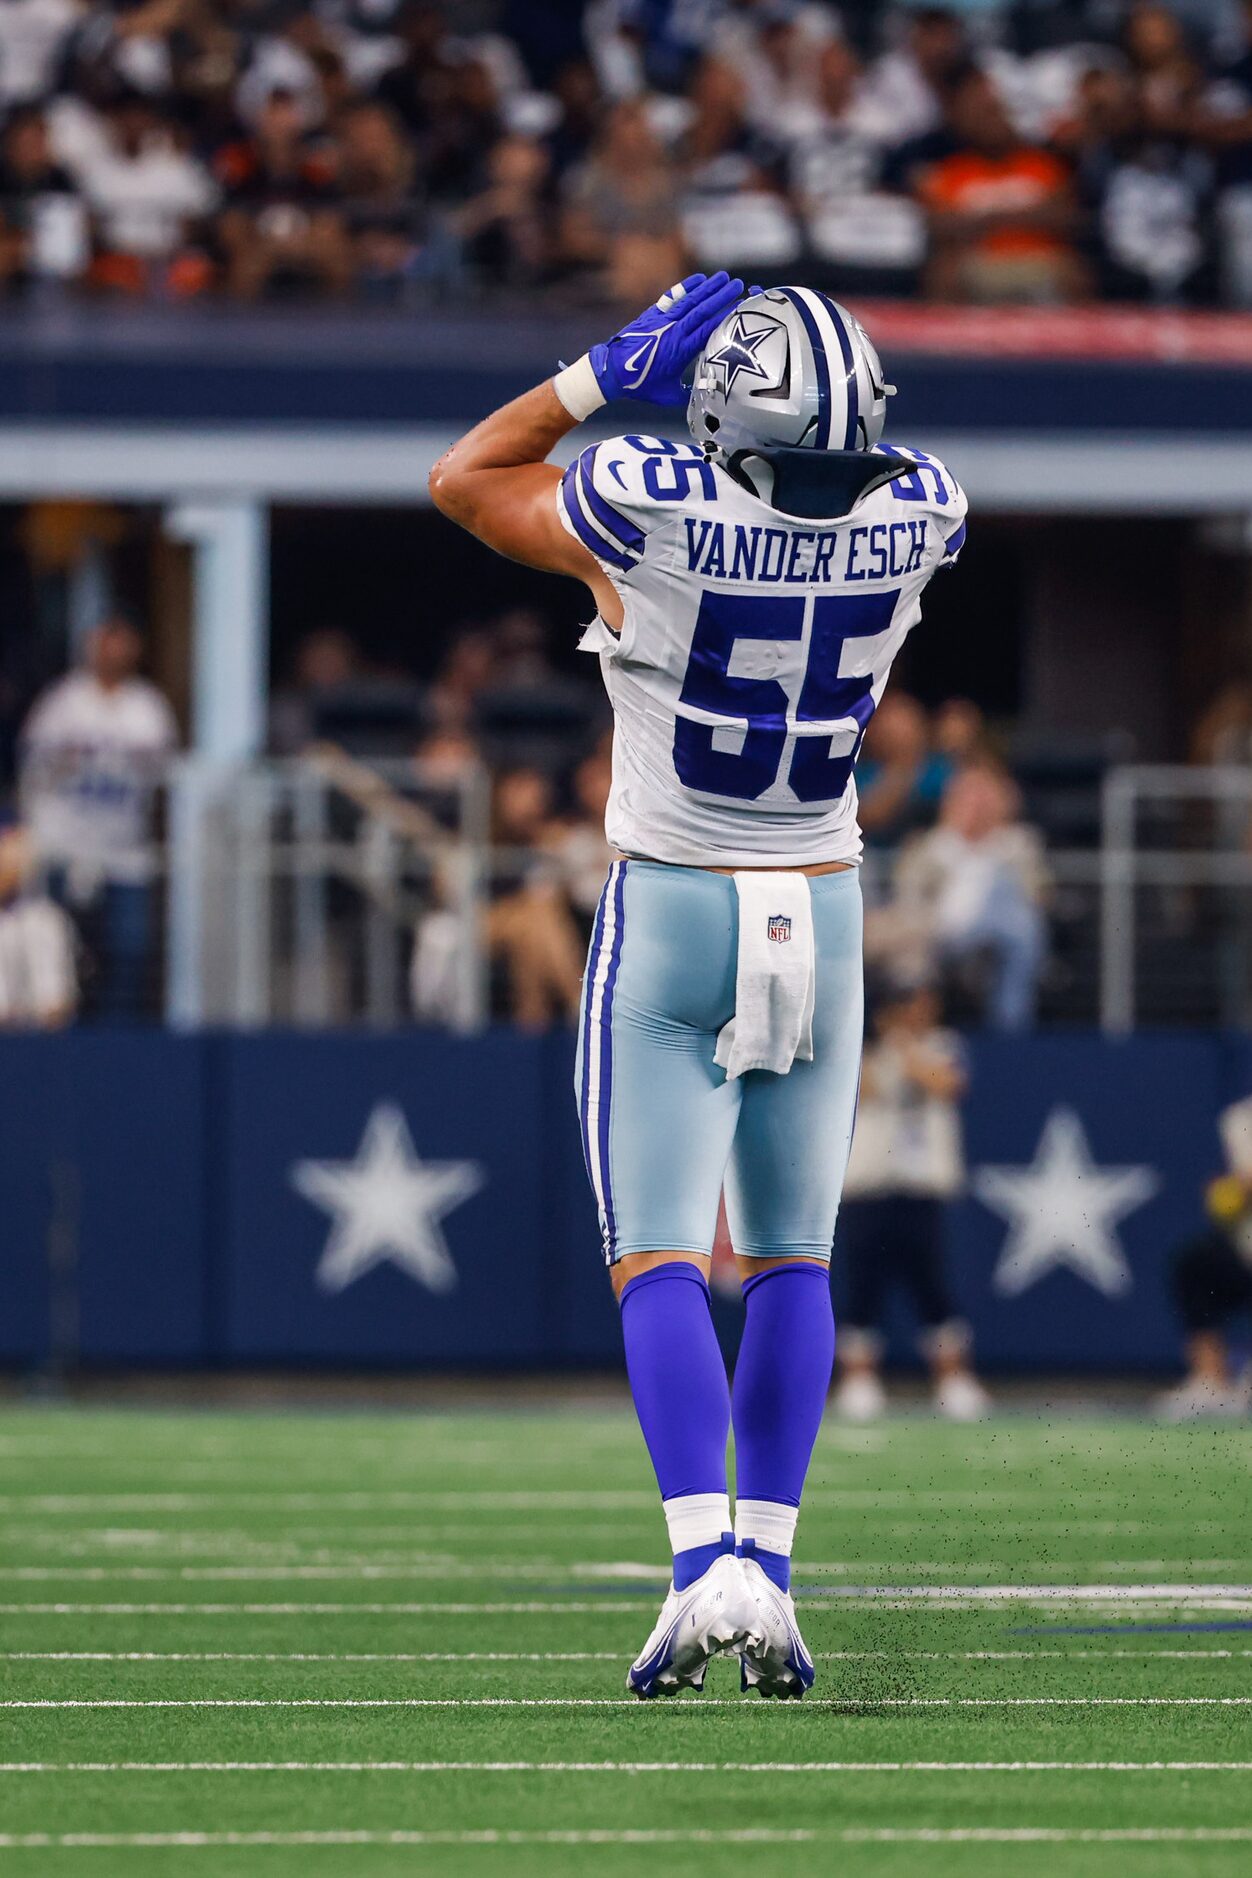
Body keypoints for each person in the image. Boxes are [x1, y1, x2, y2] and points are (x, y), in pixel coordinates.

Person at [430, 271, 966, 1699]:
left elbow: (466, 476)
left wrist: (605, 373)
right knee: (794, 1255)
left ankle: (695, 1563)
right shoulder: (922, 511)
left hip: (673, 903)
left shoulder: (648, 500)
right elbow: (872, 468)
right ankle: (774, 1575)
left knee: (660, 1253)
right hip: (829, 904)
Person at [834, 977, 990, 1423]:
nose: (919, 1012)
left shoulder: (943, 1044)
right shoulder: (862, 1051)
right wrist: (887, 1045)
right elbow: (862, 1091)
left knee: (933, 1287)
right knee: (863, 1287)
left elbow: (945, 1084)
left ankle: (952, 1380)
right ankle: (859, 1381)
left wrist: (905, 1047)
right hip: (868, 1187)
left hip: (921, 1189)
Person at [19, 615, 177, 1020]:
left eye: (122, 641)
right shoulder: (62, 702)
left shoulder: (148, 707)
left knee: (128, 953)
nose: (114, 650)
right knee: (57, 956)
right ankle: (61, 1046)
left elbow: (162, 785)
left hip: (123, 853)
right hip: (63, 850)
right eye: (107, 641)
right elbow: (32, 774)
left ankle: (116, 1043)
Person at [894, 760, 1048, 1031]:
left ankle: (1010, 1028)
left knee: (1013, 908)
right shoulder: (930, 845)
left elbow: (1039, 895)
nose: (978, 804)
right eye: (968, 794)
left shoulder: (1018, 844)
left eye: (985, 794)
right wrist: (953, 841)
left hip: (1000, 932)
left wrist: (994, 848)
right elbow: (907, 895)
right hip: (938, 931)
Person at [1155, 1095, 1252, 1421]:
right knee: (1195, 1263)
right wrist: (1231, 1195)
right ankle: (1212, 1381)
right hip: (1246, 1250)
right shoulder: (1240, 1118)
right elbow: (1236, 1194)